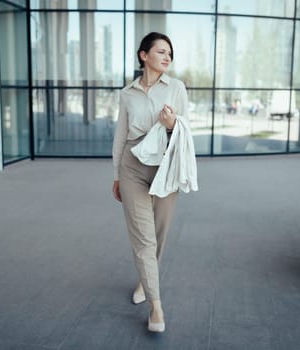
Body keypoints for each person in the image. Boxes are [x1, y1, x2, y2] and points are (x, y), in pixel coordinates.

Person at [111, 32, 195, 333]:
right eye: (161, 51)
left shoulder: (176, 87)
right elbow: (121, 135)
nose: (167, 56)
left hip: (164, 166)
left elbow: (185, 129)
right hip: (132, 166)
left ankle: (144, 281)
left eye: (170, 53)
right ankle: (155, 306)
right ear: (143, 55)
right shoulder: (127, 93)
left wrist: (173, 124)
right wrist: (118, 175)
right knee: (143, 237)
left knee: (158, 233)